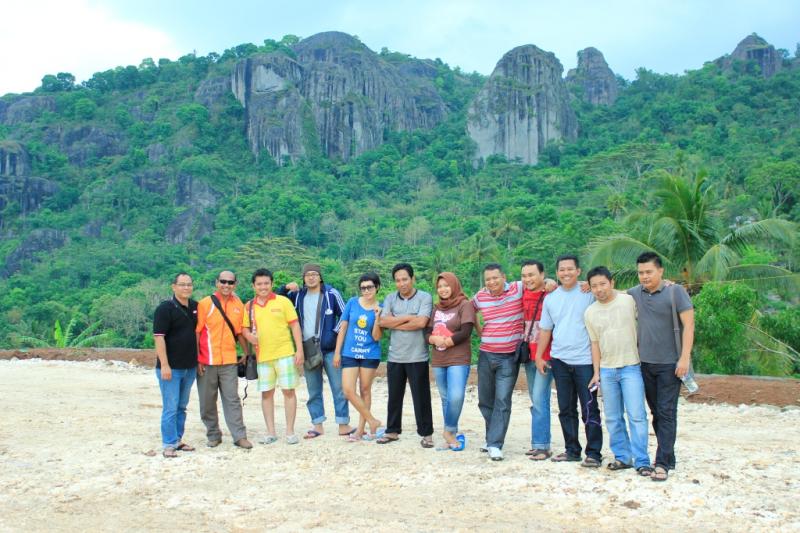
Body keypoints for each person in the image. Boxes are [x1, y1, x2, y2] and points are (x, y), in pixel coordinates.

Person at [628, 252, 695, 482]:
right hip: (644, 363)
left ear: (661, 271)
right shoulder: (635, 294)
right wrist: (587, 286)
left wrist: (684, 358)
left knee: (666, 413)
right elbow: (610, 295)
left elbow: (689, 326)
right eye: (641, 272)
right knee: (657, 413)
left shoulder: (676, 292)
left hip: (670, 364)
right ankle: (669, 455)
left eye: (649, 272)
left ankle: (662, 463)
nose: (644, 276)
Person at [535, 255, 602, 467]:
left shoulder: (588, 293)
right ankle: (572, 450)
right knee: (565, 408)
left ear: (579, 271)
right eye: (562, 270)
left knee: (589, 408)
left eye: (570, 269)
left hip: (585, 362)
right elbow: (546, 329)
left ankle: (594, 453)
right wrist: (539, 355)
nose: (566, 273)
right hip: (559, 360)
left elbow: (609, 294)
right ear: (557, 272)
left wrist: (590, 286)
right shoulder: (551, 298)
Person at [584, 266, 651, 476]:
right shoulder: (590, 312)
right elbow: (594, 344)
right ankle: (622, 457)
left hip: (631, 366)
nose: (599, 289)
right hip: (606, 370)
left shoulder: (628, 301)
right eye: (594, 286)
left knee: (637, 415)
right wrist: (596, 373)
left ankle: (642, 460)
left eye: (603, 284)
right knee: (613, 417)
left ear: (611, 283)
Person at [277, 264, 354, 439]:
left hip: (329, 349)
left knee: (339, 387)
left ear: (320, 277)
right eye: (307, 275)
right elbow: (278, 300)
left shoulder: (331, 293)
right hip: (308, 348)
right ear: (303, 278)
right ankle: (317, 424)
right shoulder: (297, 296)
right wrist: (286, 287)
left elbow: (345, 317)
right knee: (313, 389)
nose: (311, 277)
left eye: (314, 274)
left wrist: (333, 335)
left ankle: (343, 423)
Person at [242, 268, 304, 445]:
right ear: (254, 286)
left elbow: (295, 326)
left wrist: (299, 350)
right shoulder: (249, 306)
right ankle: (270, 432)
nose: (263, 287)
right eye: (259, 284)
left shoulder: (283, 301)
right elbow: (244, 329)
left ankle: (290, 431)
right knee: (266, 394)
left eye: (266, 283)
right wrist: (249, 337)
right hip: (263, 357)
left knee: (289, 392)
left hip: (284, 353)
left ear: (271, 284)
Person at [378, 263, 434, 447]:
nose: (402, 283)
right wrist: (409, 317)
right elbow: (383, 321)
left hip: (417, 356)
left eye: (405, 279)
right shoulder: (390, 298)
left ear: (412, 279)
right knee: (394, 396)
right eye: (398, 280)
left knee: (421, 397)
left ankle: (426, 434)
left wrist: (395, 321)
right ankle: (392, 431)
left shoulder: (424, 297)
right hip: (395, 356)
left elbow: (421, 322)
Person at [472, 263, 524, 461]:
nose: (492, 282)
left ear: (504, 277)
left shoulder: (517, 288)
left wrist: (551, 282)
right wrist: (479, 329)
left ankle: (495, 444)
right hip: (485, 355)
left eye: (495, 278)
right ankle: (491, 437)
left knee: (502, 400)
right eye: (488, 279)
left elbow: (538, 283)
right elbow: (469, 309)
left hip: (509, 357)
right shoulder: (481, 296)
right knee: (485, 400)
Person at [195, 271, 252, 449]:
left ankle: (239, 436)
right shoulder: (205, 304)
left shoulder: (238, 305)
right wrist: (197, 358)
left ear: (235, 284)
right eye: (223, 282)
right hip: (207, 359)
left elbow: (239, 331)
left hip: (228, 360)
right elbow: (197, 332)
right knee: (207, 400)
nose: (226, 285)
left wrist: (246, 352)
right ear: (217, 282)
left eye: (230, 282)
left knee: (232, 398)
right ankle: (213, 434)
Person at [426, 272, 475, 451]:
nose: (443, 289)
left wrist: (448, 341)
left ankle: (448, 431)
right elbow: (427, 332)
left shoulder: (464, 304)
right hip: (439, 359)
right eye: (439, 286)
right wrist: (432, 339)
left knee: (456, 396)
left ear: (454, 286)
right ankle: (451, 435)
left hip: (458, 357)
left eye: (446, 285)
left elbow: (466, 331)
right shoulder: (436, 308)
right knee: (446, 398)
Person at [153, 273, 199, 458]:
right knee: (170, 407)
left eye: (189, 284)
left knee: (181, 406)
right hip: (171, 368)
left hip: (190, 366)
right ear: (174, 287)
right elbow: (159, 337)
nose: (186, 288)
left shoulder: (195, 307)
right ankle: (169, 443)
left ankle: (178, 439)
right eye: (182, 285)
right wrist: (164, 364)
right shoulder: (165, 309)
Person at [334, 272, 385, 441]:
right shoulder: (352, 303)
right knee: (348, 390)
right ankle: (372, 420)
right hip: (349, 352)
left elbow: (377, 337)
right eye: (363, 288)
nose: (366, 290)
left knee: (365, 389)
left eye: (369, 287)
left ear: (377, 287)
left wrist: (378, 317)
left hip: (370, 353)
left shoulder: (381, 307)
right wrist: (337, 352)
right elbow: (343, 328)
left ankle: (360, 430)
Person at [520, 260, 555, 461]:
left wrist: (551, 282)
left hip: (546, 355)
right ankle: (539, 442)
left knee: (540, 398)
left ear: (542, 274)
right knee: (535, 398)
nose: (528, 279)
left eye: (532, 275)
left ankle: (542, 445)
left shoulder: (552, 292)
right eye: (524, 276)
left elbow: (577, 284)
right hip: (528, 355)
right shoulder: (521, 292)